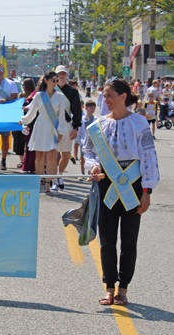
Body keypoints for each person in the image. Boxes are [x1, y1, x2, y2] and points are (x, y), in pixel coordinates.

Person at [85, 78, 159, 306]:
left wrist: (147, 190)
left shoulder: (139, 123)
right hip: (107, 184)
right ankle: (109, 288)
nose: (105, 100)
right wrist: (93, 165)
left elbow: (148, 157)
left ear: (123, 96)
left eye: (109, 96)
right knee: (107, 239)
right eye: (104, 96)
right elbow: (89, 152)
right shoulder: (98, 126)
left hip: (133, 184)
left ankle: (123, 289)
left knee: (129, 240)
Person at [20, 72, 68, 193]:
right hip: (41, 126)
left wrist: (61, 131)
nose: (55, 82)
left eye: (56, 80)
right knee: (40, 156)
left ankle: (48, 184)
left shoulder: (60, 97)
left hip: (53, 127)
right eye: (53, 80)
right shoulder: (39, 95)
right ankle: (39, 182)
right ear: (46, 81)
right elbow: (32, 111)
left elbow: (62, 116)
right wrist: (23, 121)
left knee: (52, 156)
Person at [52, 65, 82, 191]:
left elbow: (77, 111)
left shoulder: (73, 91)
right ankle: (53, 180)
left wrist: (75, 128)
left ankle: (60, 175)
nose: (61, 76)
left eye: (63, 73)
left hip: (67, 125)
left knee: (65, 154)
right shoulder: (51, 89)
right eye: (59, 74)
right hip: (53, 125)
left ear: (67, 75)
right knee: (52, 154)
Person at [20, 78, 37, 174]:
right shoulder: (30, 94)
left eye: (23, 84)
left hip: (33, 123)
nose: (22, 86)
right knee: (28, 146)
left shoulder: (34, 95)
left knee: (32, 146)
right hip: (28, 122)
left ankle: (32, 166)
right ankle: (28, 165)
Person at [77, 101, 96, 180]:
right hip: (83, 141)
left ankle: (89, 174)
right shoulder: (82, 119)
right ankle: (82, 173)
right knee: (82, 158)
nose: (92, 110)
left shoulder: (96, 119)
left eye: (94, 108)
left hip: (92, 142)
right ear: (86, 108)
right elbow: (79, 130)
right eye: (91, 108)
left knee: (91, 157)